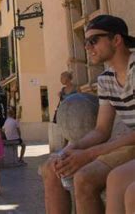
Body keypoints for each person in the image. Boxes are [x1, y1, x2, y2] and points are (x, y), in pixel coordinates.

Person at [41, 15, 135, 214]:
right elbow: (101, 130)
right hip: (127, 144)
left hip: (130, 143)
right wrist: (71, 148)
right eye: (85, 42)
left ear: (116, 40)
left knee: (84, 177)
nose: (87, 47)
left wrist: (89, 154)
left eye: (93, 40)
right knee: (52, 167)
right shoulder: (105, 80)